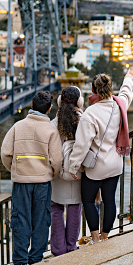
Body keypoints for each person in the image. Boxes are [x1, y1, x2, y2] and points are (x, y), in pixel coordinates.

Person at [1, 90, 63, 265]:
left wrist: (16, 170)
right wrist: (51, 173)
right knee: (41, 220)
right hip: (43, 182)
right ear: (49, 110)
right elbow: (57, 161)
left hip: (21, 182)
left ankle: (19, 261)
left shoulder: (17, 127)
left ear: (31, 107)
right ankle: (35, 258)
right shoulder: (51, 131)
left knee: (20, 219)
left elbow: (6, 153)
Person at [69, 73, 133, 244]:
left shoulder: (90, 114)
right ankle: (106, 238)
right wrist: (128, 79)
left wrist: (73, 166)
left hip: (96, 168)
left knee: (89, 201)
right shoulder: (120, 105)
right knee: (110, 200)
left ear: (93, 90)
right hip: (115, 164)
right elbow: (127, 93)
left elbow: (81, 145)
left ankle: (95, 239)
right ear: (111, 88)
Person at [49, 86, 83, 256]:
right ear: (79, 102)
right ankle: (71, 246)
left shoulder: (53, 123)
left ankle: (57, 249)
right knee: (75, 208)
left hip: (57, 173)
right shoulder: (84, 120)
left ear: (60, 102)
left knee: (55, 208)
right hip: (76, 173)